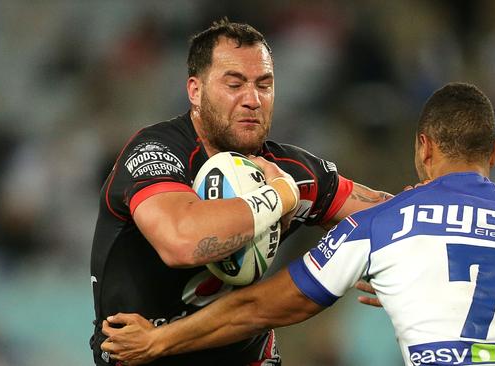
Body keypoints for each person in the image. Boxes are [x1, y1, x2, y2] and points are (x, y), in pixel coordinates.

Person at [101, 82, 495, 366]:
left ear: (423, 148)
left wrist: (159, 341)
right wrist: (422, 277)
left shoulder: (384, 224)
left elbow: (259, 307)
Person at [89, 18, 392, 366]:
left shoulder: (292, 170)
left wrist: (408, 260)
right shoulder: (157, 154)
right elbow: (182, 242)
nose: (252, 99)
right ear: (195, 91)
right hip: (141, 354)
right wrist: (278, 197)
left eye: (264, 85)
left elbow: (390, 218)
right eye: (234, 84)